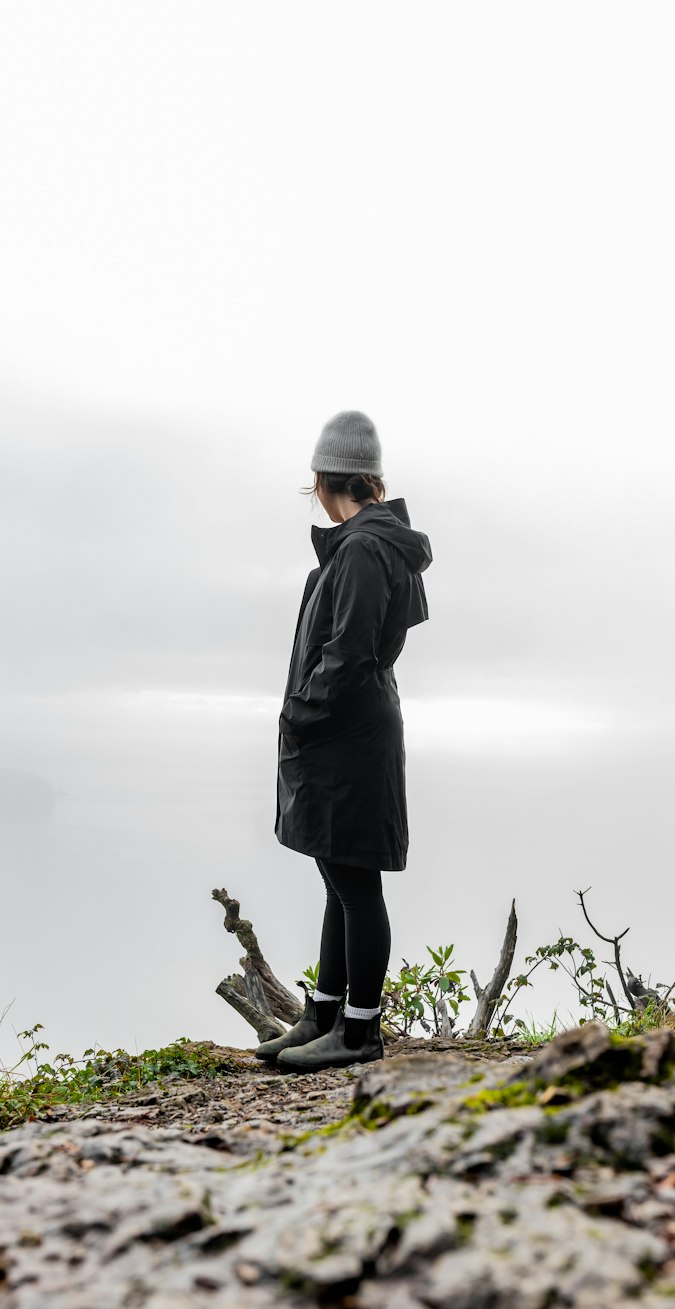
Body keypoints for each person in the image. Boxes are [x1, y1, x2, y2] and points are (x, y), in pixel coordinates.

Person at [257, 410, 432, 1073]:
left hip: (347, 733)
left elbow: (350, 653)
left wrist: (302, 712)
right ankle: (325, 1012)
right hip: (358, 726)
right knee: (339, 876)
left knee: (355, 883)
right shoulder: (378, 544)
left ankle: (359, 1031)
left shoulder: (361, 548)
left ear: (327, 483)